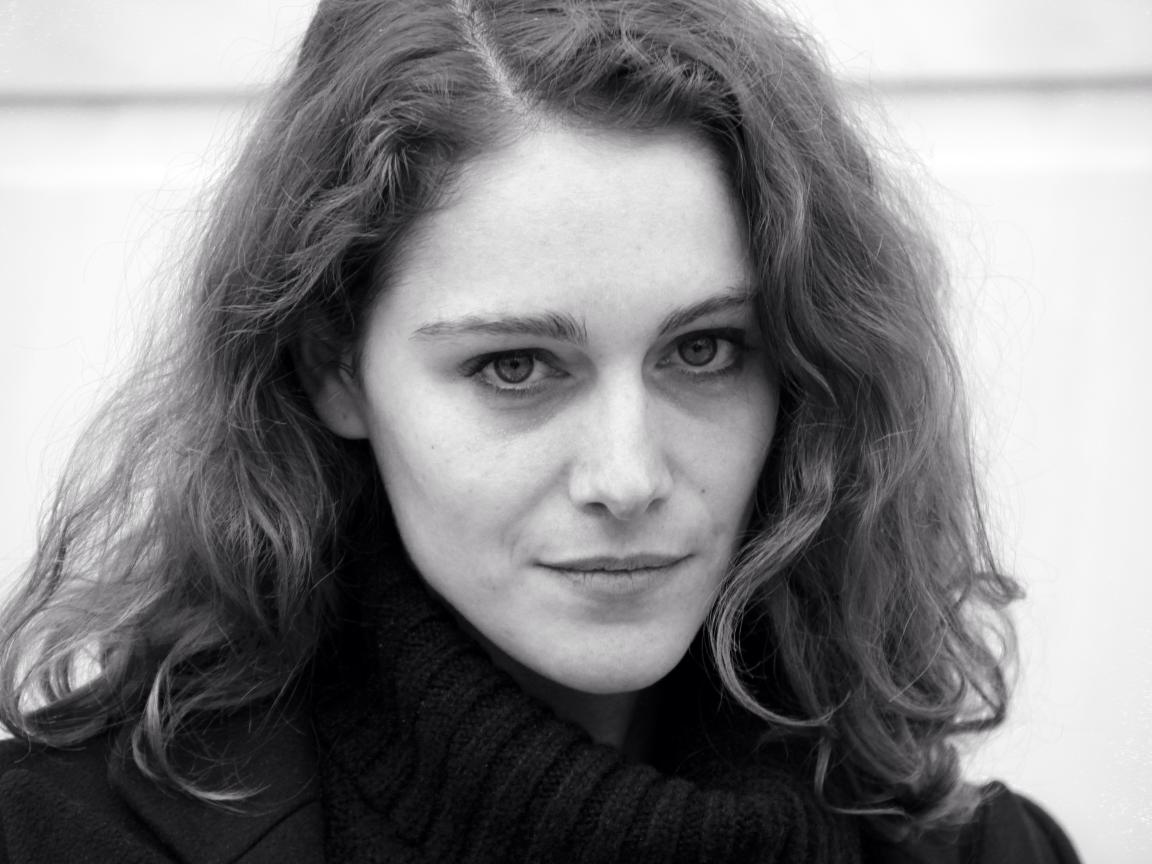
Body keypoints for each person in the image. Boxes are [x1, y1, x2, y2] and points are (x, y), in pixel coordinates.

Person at [0, 1, 1081, 861]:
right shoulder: (71, 839)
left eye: (704, 350)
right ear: (335, 366)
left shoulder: (981, 849)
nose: (628, 476)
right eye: (514, 367)